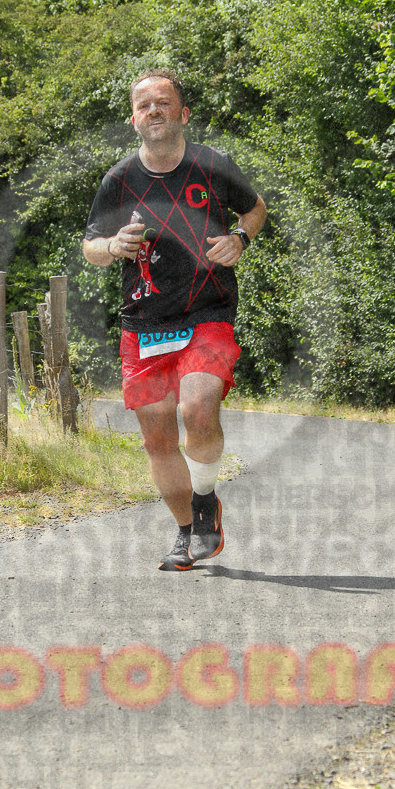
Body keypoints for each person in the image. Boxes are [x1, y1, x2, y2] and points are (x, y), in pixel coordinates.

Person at [82, 69, 266, 571]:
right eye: (145, 105)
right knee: (157, 438)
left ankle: (205, 499)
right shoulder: (119, 180)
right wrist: (112, 246)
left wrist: (241, 239)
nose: (154, 111)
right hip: (144, 322)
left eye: (164, 103)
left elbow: (255, 209)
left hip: (208, 312)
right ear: (133, 118)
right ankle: (188, 531)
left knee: (197, 409)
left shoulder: (212, 165)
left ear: (183, 114)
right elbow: (90, 245)